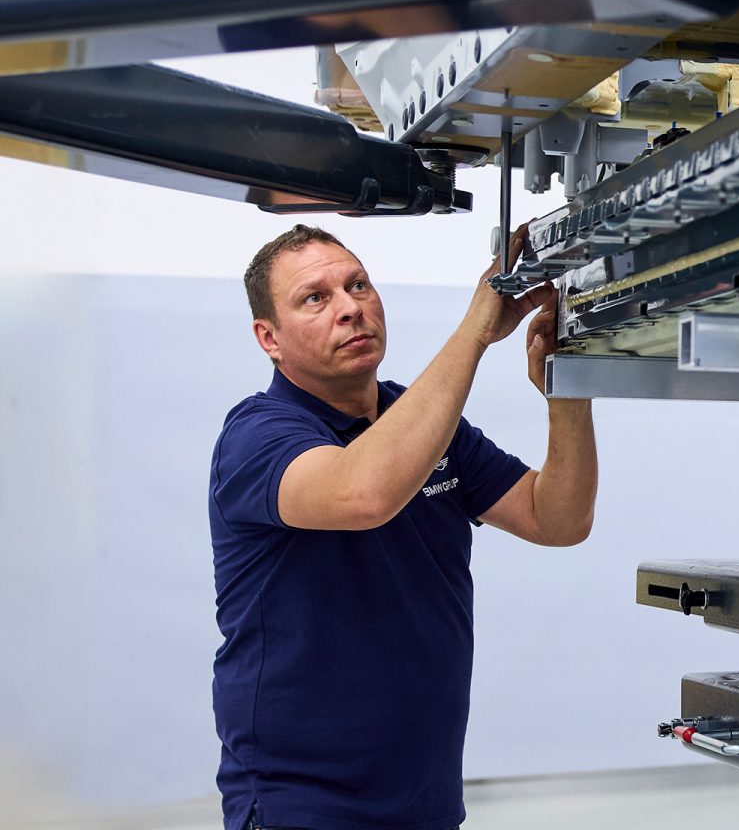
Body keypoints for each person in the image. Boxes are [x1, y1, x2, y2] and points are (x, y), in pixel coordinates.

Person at [207, 224, 597, 830]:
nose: (349, 308)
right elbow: (364, 493)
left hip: (426, 805)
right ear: (269, 338)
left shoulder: (420, 422)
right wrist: (477, 329)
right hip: (303, 808)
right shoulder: (258, 436)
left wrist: (568, 387)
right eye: (315, 298)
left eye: (357, 284)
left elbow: (558, 518)